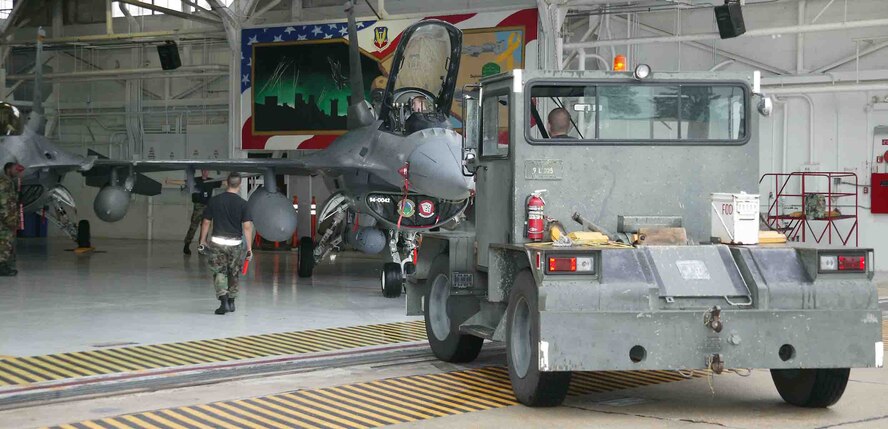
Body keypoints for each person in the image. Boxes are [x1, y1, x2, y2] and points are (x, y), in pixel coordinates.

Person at [198, 172, 254, 315]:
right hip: (235, 244)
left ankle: (223, 301)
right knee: (233, 272)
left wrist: (202, 240)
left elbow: (206, 222)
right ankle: (231, 302)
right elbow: (247, 227)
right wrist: (249, 248)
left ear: (226, 183)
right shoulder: (243, 204)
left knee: (219, 272)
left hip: (217, 243)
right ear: (239, 185)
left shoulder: (215, 201)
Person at [183, 170, 220, 255]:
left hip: (208, 206)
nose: (206, 172)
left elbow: (225, 182)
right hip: (198, 206)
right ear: (202, 171)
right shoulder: (196, 180)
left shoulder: (211, 181)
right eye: (204, 171)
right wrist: (169, 181)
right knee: (193, 226)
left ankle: (202, 246)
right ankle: (187, 244)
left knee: (205, 227)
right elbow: (184, 182)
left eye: (207, 171)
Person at [0, 162, 23, 276]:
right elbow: (5, 203)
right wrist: (10, 220)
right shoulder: (5, 183)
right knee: (5, 241)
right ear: (8, 169)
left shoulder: (9, 182)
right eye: (15, 169)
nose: (17, 171)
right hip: (4, 220)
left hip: (6, 218)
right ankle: (1, 266)